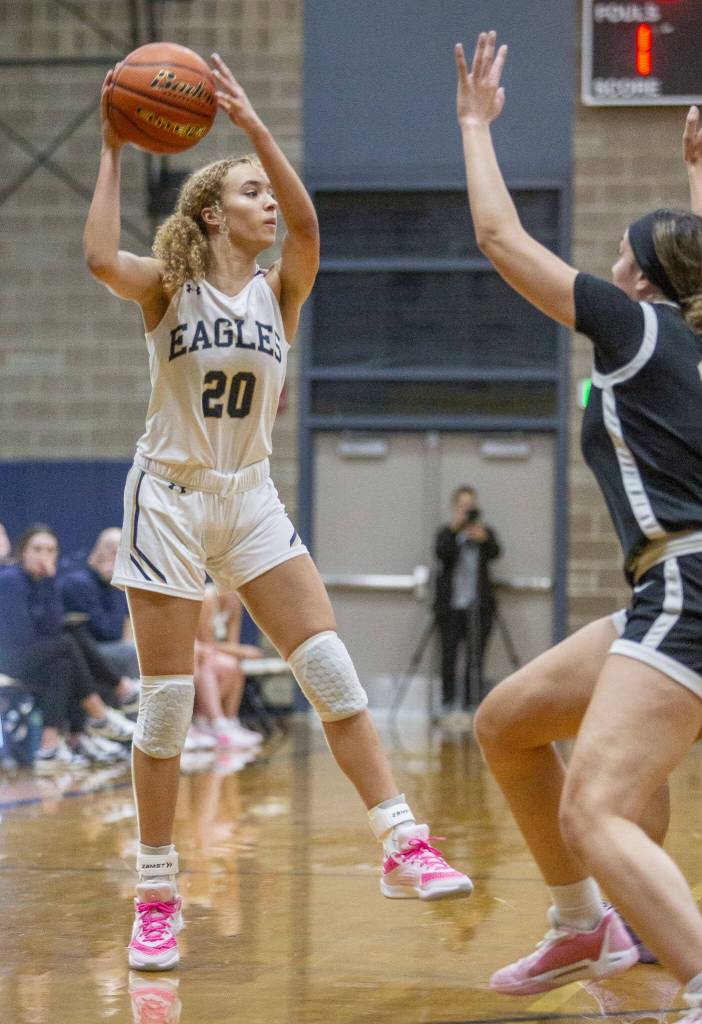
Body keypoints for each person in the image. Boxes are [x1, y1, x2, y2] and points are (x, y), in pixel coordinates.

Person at [84, 53, 472, 972]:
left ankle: (400, 839)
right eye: (249, 191)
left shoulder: (280, 290)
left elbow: (307, 222)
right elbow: (101, 256)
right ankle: (155, 891)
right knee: (169, 715)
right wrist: (109, 145)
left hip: (248, 494)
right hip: (170, 498)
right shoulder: (166, 289)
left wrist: (258, 130)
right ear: (213, 212)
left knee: (332, 673)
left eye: (267, 190)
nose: (268, 202)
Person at [455, 32, 702, 1019]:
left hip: (689, 584)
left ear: (638, 279)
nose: (607, 263)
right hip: (669, 588)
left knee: (594, 806)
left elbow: (500, 240)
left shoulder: (632, 325)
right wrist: (697, 171)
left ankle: (696, 971)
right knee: (509, 723)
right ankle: (583, 922)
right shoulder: (688, 330)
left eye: (620, 256)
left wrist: (477, 128)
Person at [0, 525, 135, 770]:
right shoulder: (11, 579)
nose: (44, 556)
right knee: (66, 643)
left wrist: (49, 582)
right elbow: (22, 633)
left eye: (51, 550)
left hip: (35, 656)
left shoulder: (43, 582)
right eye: (37, 549)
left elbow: (52, 625)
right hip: (8, 656)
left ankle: (49, 747)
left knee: (62, 663)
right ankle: (104, 708)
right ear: (23, 552)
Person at [434, 485, 501, 711]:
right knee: (449, 656)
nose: (467, 511)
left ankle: (471, 703)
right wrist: (456, 531)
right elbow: (440, 553)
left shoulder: (484, 533)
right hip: (451, 608)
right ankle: (447, 702)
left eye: (470, 506)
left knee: (476, 657)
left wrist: (482, 538)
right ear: (454, 509)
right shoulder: (447, 533)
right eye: (462, 507)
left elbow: (496, 552)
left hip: (478, 607)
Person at [61, 527, 140, 686]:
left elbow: (123, 628)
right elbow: (107, 632)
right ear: (107, 551)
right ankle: (133, 706)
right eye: (120, 554)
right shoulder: (78, 582)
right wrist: (115, 586)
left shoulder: (107, 582)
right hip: (86, 651)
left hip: (106, 647)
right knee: (132, 653)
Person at [191, 585, 263, 751]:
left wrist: (238, 652)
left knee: (233, 664)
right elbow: (206, 642)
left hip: (214, 653)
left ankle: (229, 721)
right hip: (199, 651)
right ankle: (216, 722)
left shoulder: (236, 603)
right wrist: (243, 651)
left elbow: (231, 643)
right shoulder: (207, 598)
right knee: (214, 662)